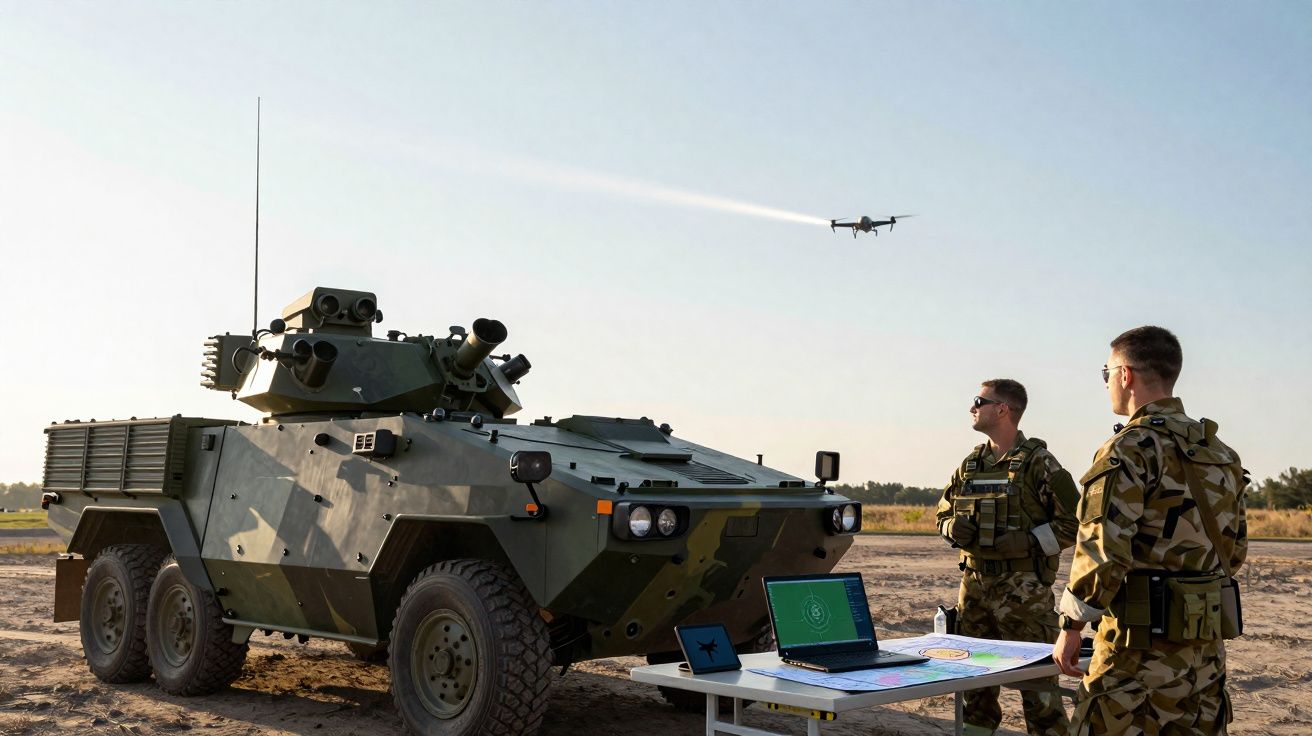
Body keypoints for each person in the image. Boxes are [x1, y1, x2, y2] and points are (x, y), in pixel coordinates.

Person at [1053, 326, 1248, 734]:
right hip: (1202, 656)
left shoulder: (1130, 448)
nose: (1106, 383)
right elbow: (1234, 551)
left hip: (1136, 655)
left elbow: (1103, 552)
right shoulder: (1220, 452)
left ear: (1125, 375)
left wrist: (1071, 627)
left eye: (1106, 373)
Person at [936, 378, 1079, 736]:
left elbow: (1075, 523)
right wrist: (952, 527)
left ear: (1002, 409)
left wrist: (1027, 542)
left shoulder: (1039, 463)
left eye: (979, 401)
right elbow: (942, 513)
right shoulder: (970, 464)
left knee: (1038, 687)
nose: (972, 407)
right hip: (974, 588)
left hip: (1023, 593)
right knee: (975, 684)